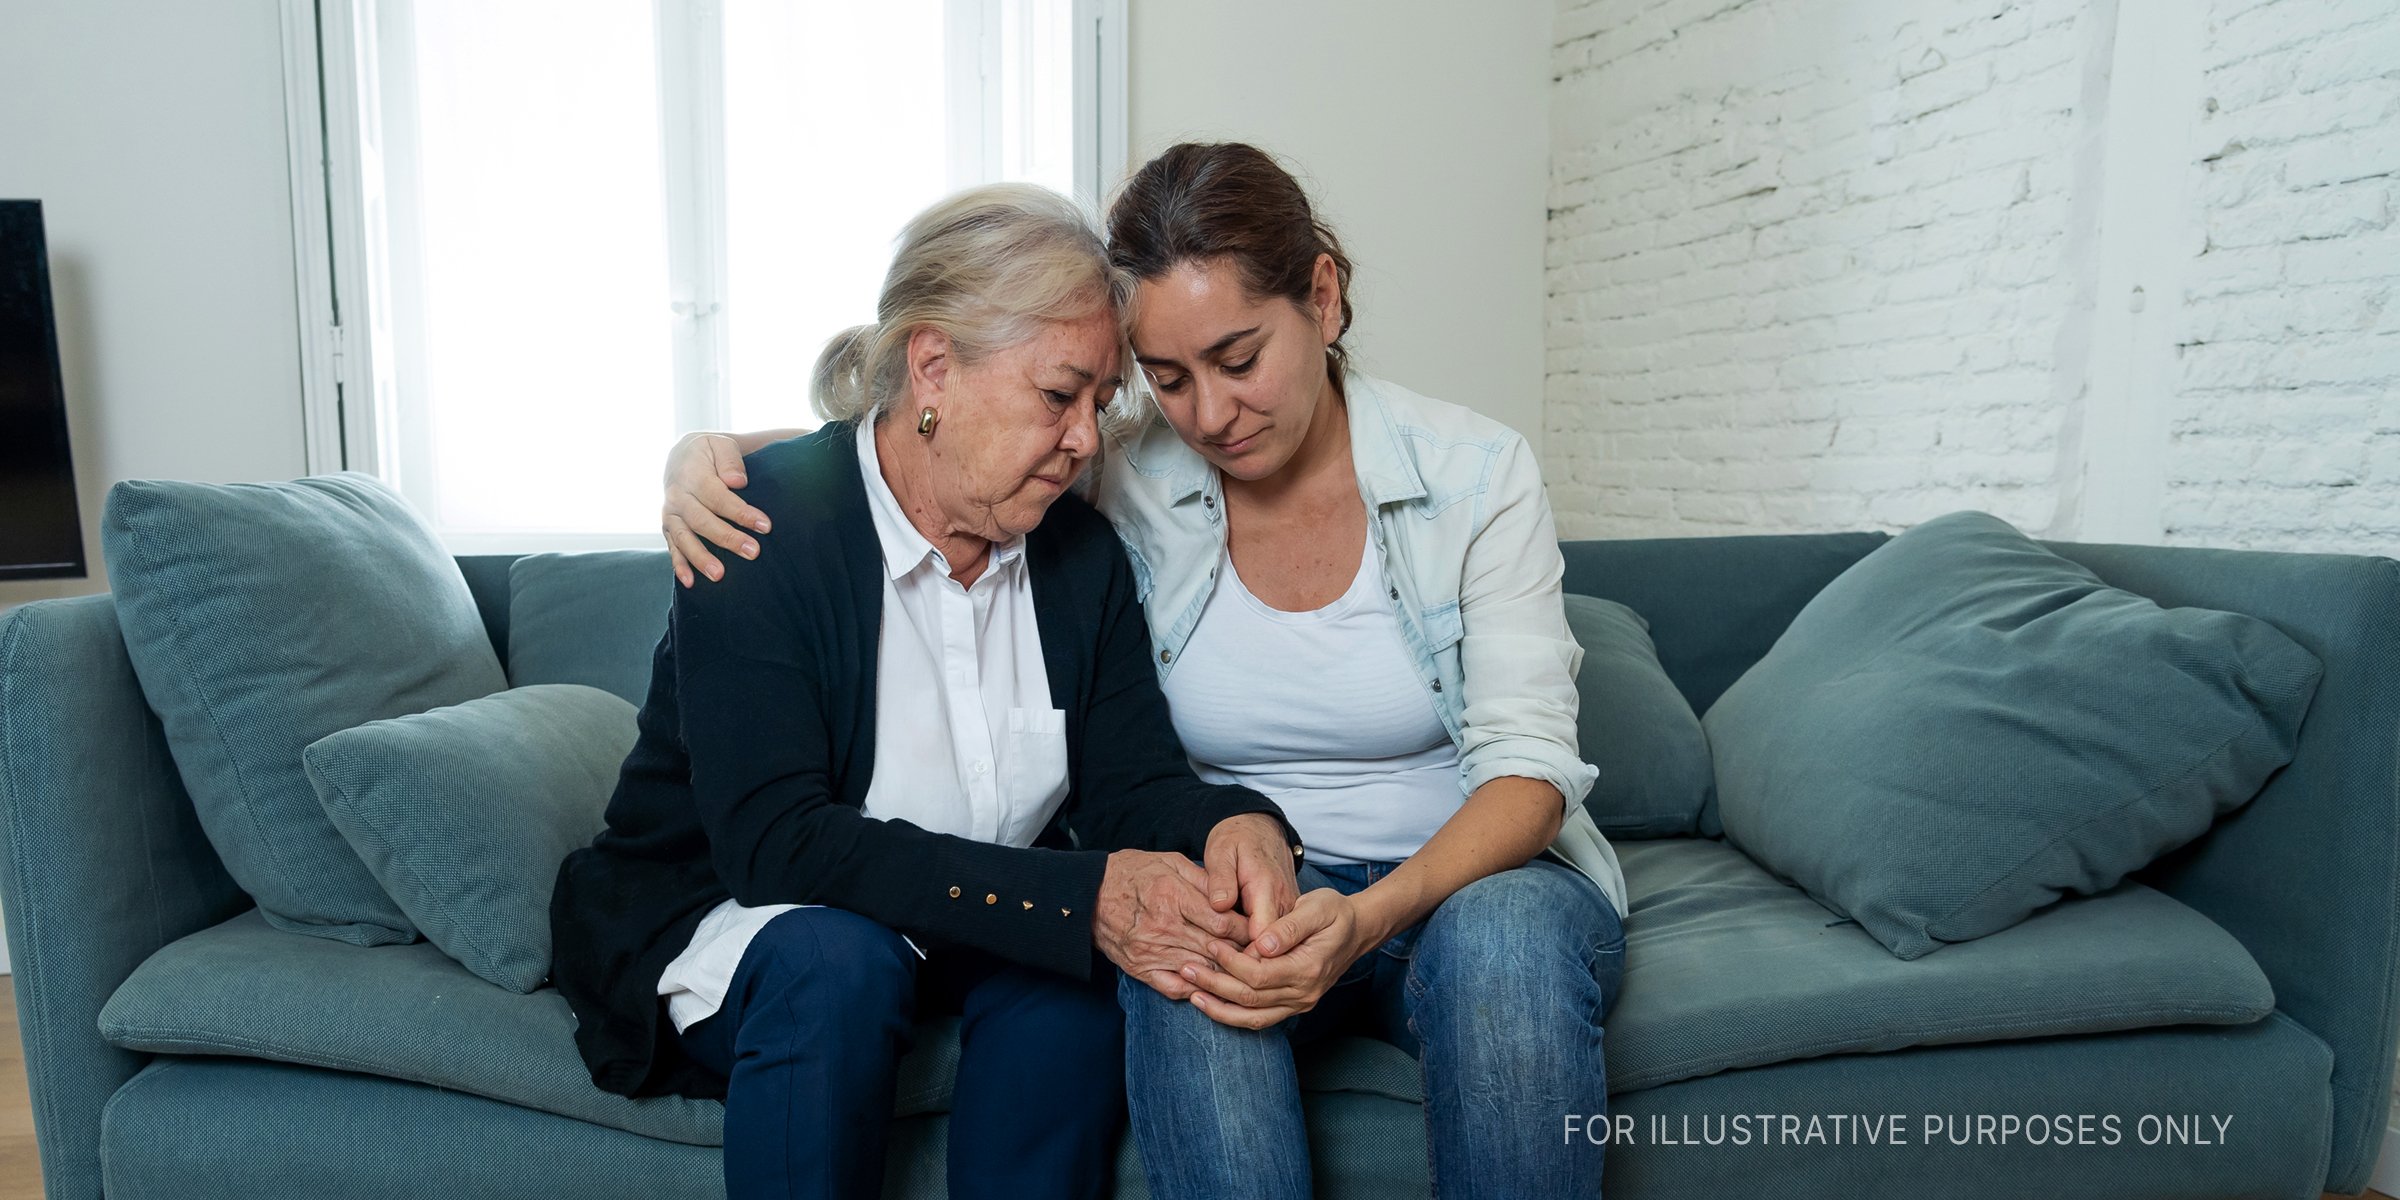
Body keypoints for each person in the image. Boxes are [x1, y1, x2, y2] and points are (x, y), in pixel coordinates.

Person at [661, 143, 1628, 1200]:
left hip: (1454, 885)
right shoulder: (1120, 476)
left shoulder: (1469, 475)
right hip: (1231, 894)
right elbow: (898, 447)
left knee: (1492, 944)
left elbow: (1523, 763)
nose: (1208, 415)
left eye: (1238, 358)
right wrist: (711, 457)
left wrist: (1315, 877)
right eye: (1165, 380)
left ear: (1324, 297)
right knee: (1170, 947)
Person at [549, 183, 1302, 1200]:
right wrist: (1077, 898)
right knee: (838, 965)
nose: (1087, 439)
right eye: (1058, 395)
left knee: (1071, 993)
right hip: (747, 915)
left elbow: (1133, 788)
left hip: (963, 917)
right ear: (934, 367)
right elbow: (776, 843)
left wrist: (1234, 826)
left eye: (1101, 402)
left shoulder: (1076, 555)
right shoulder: (762, 531)